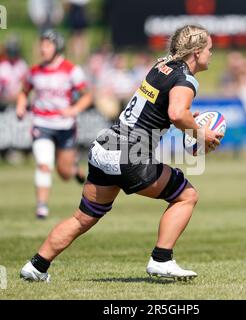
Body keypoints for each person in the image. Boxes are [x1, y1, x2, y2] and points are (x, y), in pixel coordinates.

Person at [20, 25, 222, 282]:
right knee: (186, 196)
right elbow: (175, 113)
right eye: (209, 49)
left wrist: (186, 123)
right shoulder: (186, 78)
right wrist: (199, 132)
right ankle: (162, 259)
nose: (212, 54)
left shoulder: (162, 65)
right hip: (130, 152)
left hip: (106, 145)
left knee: (83, 217)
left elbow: (161, 110)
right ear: (195, 52)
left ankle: (36, 266)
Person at [16, 30, 92, 219]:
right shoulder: (34, 71)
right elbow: (23, 91)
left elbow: (87, 96)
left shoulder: (71, 70)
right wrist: (20, 105)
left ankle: (73, 169)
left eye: (47, 44)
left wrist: (74, 110)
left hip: (65, 125)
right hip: (41, 123)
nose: (43, 48)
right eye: (41, 44)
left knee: (64, 173)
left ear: (57, 47)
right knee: (44, 164)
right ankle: (41, 207)